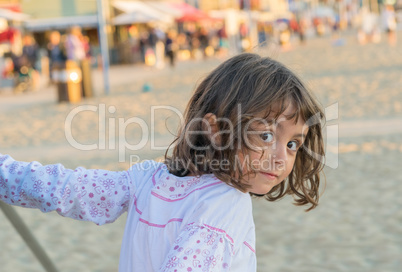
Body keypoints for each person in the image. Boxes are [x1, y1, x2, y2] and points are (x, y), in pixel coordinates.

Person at [0, 53, 325, 271]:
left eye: (294, 143)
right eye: (266, 136)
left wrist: (4, 173)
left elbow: (64, 189)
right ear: (217, 132)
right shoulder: (225, 207)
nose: (282, 158)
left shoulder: (150, 178)